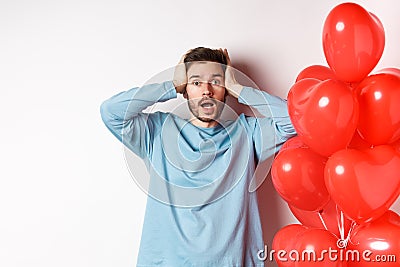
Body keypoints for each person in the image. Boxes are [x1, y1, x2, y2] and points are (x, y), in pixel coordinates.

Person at [100, 47, 296, 266]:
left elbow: (294, 121)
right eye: (196, 82)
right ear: (185, 90)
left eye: (216, 81)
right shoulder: (156, 131)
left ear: (226, 90)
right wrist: (171, 85)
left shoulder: (248, 134)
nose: (207, 90)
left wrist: (239, 88)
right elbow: (111, 112)